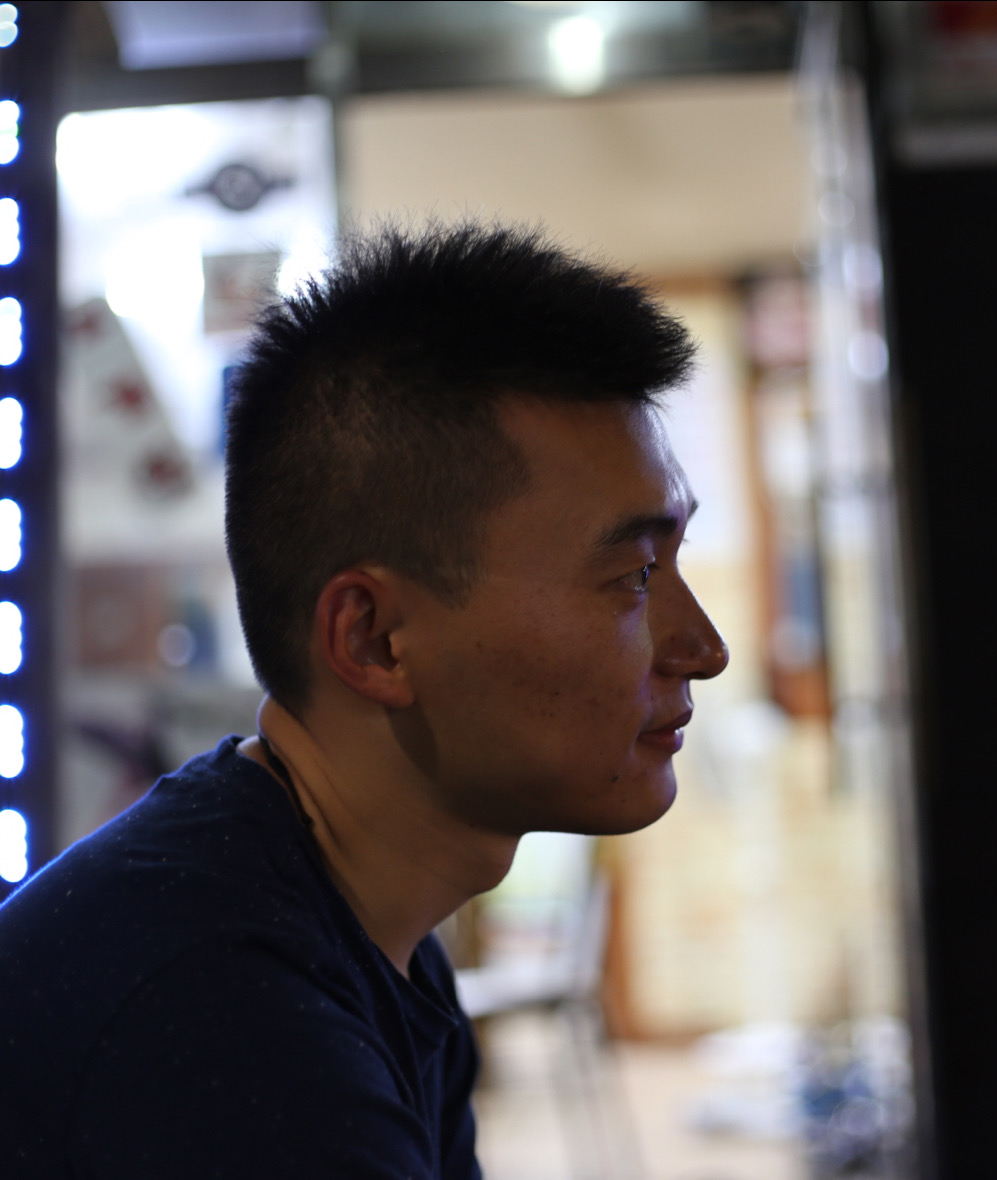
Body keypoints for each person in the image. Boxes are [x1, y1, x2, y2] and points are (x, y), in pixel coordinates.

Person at [0, 221, 728, 1177]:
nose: (703, 649)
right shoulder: (220, 1019)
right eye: (632, 576)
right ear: (374, 640)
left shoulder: (374, 935)